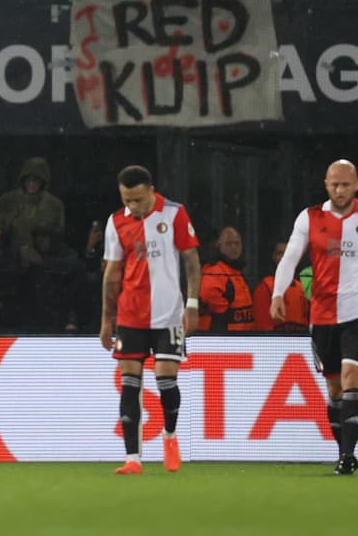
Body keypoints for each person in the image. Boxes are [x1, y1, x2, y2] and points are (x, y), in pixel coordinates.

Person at [270, 159, 358, 476]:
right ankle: (343, 451)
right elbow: (290, 257)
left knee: (354, 382)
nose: (340, 190)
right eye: (334, 184)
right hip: (322, 315)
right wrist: (278, 293)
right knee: (335, 390)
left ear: (357, 185)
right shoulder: (309, 217)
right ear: (326, 184)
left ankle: (349, 455)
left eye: (346, 184)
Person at [99, 165, 201, 475]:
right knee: (129, 384)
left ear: (151, 191)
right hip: (131, 314)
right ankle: (133, 459)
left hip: (168, 313)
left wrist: (193, 304)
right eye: (127, 200)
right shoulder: (116, 222)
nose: (132, 206)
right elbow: (112, 274)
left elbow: (192, 262)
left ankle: (170, 435)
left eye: (138, 200)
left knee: (165, 380)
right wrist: (107, 319)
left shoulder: (174, 214)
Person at [197, 226, 254, 331]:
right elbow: (207, 293)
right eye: (229, 243)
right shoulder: (215, 270)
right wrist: (225, 312)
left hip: (241, 339)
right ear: (218, 245)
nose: (233, 247)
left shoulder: (236, 271)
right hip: (223, 338)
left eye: (237, 243)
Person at [252, 241, 309, 332]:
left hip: (300, 343)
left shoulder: (301, 288)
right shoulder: (265, 287)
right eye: (279, 253)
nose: (284, 257)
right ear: (273, 257)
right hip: (275, 343)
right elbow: (262, 327)